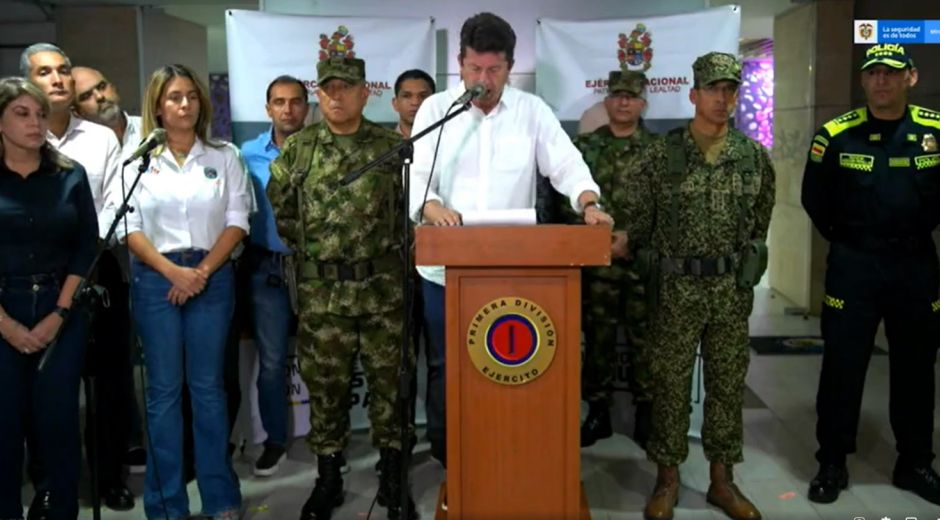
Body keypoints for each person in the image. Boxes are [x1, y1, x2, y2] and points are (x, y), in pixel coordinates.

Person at [409, 11, 611, 473]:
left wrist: (588, 201)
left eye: (495, 70)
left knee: (509, 363)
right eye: (476, 69)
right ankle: (451, 458)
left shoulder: (530, 111)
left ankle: (510, 453)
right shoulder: (437, 110)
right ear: (460, 64)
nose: (485, 80)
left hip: (512, 272)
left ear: (510, 66)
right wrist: (430, 205)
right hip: (445, 269)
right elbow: (418, 174)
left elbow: (566, 164)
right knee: (447, 367)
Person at [626, 52, 774, 520]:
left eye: (730, 89)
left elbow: (759, 225)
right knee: (668, 386)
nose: (722, 98)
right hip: (675, 290)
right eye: (713, 89)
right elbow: (639, 228)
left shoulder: (752, 158)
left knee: (728, 386)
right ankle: (667, 481)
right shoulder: (660, 156)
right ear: (694, 94)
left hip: (729, 290)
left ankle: (721, 481)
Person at [268, 57, 415, 520]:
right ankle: (328, 476)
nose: (336, 96)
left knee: (391, 386)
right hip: (323, 295)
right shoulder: (300, 150)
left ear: (363, 92)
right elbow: (285, 217)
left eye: (345, 88)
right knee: (326, 388)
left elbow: (410, 214)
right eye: (328, 88)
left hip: (382, 293)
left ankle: (394, 476)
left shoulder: (392, 148)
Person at [802, 43, 940, 506]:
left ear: (910, 78)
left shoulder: (934, 132)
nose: (881, 81)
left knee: (917, 367)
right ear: (863, 80)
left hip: (915, 265)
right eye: (873, 73)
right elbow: (814, 200)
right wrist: (849, 240)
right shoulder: (836, 136)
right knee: (842, 366)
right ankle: (832, 462)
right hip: (855, 265)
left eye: (891, 73)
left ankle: (915, 461)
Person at [113, 63, 249, 520]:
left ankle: (221, 499)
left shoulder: (223, 155)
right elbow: (126, 227)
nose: (185, 104)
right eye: (174, 97)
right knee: (164, 394)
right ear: (157, 105)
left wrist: (201, 272)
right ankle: (166, 504)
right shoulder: (135, 159)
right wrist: (173, 272)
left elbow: (237, 221)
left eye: (191, 95)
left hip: (211, 278)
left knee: (208, 390)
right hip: (157, 280)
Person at [21, 43, 134, 513]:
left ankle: (110, 478)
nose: (59, 78)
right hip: (36, 272)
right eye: (45, 72)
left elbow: (114, 201)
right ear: (27, 82)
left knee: (108, 383)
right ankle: (47, 482)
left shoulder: (101, 138)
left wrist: (87, 242)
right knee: (43, 385)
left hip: (98, 265)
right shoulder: (18, 135)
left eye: (64, 70)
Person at [0, 76, 98, 520]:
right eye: (22, 113)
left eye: (40, 114)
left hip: (62, 310)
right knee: (4, 428)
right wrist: (5, 325)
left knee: (58, 426)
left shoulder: (69, 174)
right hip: (3, 311)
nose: (36, 123)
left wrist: (59, 313)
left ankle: (59, 510)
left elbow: (86, 248)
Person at [568, 70, 656, 450]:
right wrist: (601, 239)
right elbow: (564, 200)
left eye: (631, 96)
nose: (624, 102)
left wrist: (631, 239)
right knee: (598, 342)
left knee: (646, 343)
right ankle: (599, 414)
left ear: (643, 103)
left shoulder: (659, 151)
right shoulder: (584, 148)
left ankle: (647, 417)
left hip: (641, 266)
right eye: (618, 95)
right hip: (597, 266)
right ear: (606, 101)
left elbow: (666, 207)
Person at [239, 74, 309, 477]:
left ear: (306, 106)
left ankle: (328, 441)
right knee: (271, 362)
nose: (288, 110)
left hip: (315, 269)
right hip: (266, 268)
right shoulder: (246, 155)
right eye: (279, 102)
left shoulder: (323, 152)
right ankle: (276, 440)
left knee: (322, 358)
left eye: (296, 101)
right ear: (268, 109)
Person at [391, 69, 435, 138]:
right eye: (406, 96)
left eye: (423, 96)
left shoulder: (449, 141)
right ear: (395, 103)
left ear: (434, 102)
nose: (415, 102)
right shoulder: (378, 142)